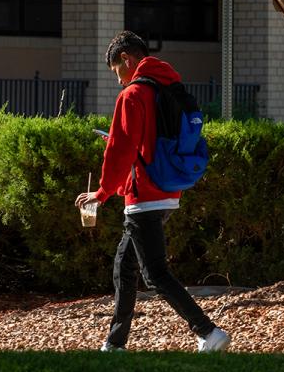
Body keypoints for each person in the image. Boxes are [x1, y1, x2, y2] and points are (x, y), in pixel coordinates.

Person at [74, 30, 230, 353]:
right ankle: (115, 343)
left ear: (127, 60)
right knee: (124, 264)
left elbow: (120, 150)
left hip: (143, 196)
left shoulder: (132, 95)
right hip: (168, 192)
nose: (119, 81)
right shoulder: (167, 87)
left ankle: (209, 332)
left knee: (155, 273)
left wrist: (101, 193)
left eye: (117, 72)